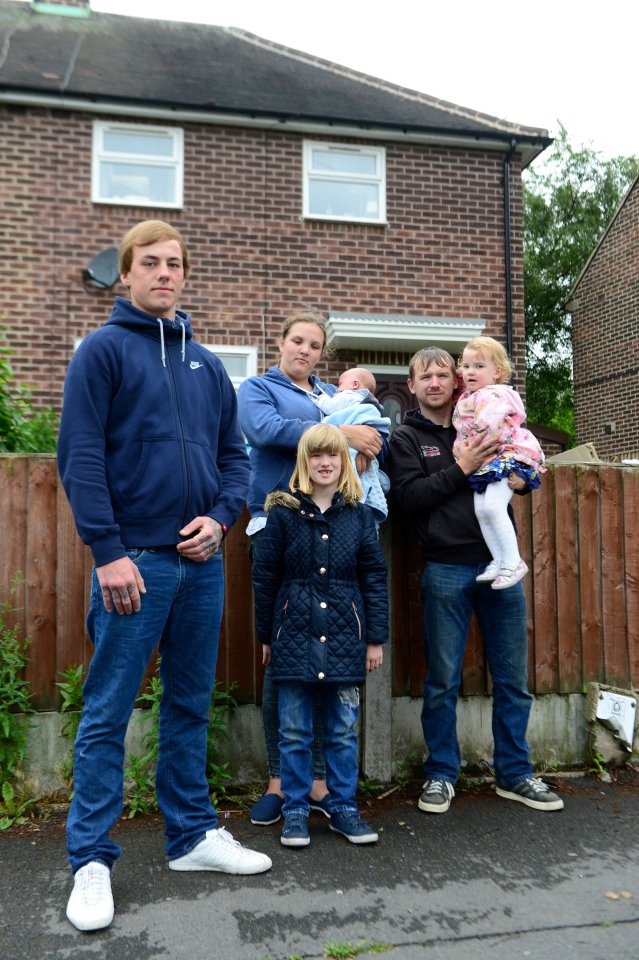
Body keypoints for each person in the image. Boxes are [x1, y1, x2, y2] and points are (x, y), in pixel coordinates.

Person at [57, 220, 271, 933]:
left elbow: (235, 461)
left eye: (175, 263)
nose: (164, 273)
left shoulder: (208, 365)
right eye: (149, 263)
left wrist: (219, 519)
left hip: (199, 566)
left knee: (188, 705)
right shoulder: (102, 352)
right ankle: (90, 859)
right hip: (133, 567)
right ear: (124, 275)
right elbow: (80, 458)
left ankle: (191, 837)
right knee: (108, 713)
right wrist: (108, 551)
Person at [388, 346, 563, 814]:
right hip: (445, 566)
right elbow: (408, 499)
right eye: (425, 376)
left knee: (512, 678)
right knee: (442, 679)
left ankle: (514, 773)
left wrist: (525, 480)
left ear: (457, 381)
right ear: (412, 385)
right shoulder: (405, 437)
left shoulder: (485, 415)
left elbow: (523, 458)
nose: (436, 383)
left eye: (444, 374)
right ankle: (442, 774)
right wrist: (462, 467)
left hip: (499, 565)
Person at [237, 312, 386, 826]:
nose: (305, 349)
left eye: (314, 344)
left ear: (322, 353)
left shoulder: (330, 393)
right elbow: (265, 430)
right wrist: (343, 433)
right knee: (285, 655)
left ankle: (320, 783)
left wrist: (366, 445)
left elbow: (367, 441)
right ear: (280, 343)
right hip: (277, 525)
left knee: (330, 657)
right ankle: (281, 781)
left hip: (336, 522)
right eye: (297, 340)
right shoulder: (260, 387)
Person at [252, 423, 388, 846]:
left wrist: (375, 639)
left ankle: (343, 806)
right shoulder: (282, 514)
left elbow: (374, 578)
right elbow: (265, 578)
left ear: (344, 462)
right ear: (304, 462)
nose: (325, 463)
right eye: (316, 456)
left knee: (343, 728)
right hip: (292, 636)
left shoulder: (359, 516)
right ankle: (294, 809)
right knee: (293, 729)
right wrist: (266, 637)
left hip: (347, 639)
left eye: (333, 455)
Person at [453, 337, 545, 589]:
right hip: (488, 459)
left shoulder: (492, 394)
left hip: (507, 456)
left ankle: (513, 561)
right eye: (467, 365)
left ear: (497, 372)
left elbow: (489, 424)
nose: (471, 371)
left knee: (493, 507)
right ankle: (499, 558)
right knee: (482, 510)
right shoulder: (470, 396)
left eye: (479, 366)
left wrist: (472, 444)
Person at [314, 367, 391, 524]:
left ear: (355, 384)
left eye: (340, 384)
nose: (337, 390)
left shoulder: (349, 396)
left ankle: (355, 497)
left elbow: (331, 407)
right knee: (370, 475)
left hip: (354, 448)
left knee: (354, 473)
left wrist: (321, 399)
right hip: (364, 445)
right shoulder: (371, 405)